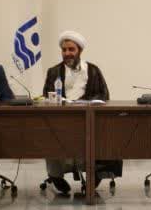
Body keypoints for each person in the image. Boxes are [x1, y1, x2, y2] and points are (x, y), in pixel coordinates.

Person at [41, 31, 113, 195]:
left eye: (71, 49)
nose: (67, 53)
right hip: (60, 120)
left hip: (87, 119)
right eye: (64, 50)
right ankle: (56, 176)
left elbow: (104, 95)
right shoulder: (53, 72)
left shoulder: (93, 70)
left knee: (102, 135)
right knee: (49, 135)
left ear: (80, 50)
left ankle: (94, 175)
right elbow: (47, 96)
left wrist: (85, 103)